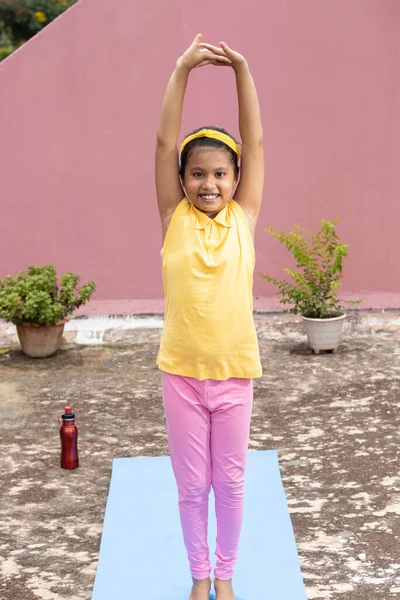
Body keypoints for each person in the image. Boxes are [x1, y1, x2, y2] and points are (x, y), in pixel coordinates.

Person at [155, 33, 264, 600]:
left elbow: (256, 140)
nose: (208, 184)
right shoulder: (173, 217)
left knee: (233, 483)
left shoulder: (244, 218)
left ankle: (226, 575)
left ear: (236, 180)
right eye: (197, 174)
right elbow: (162, 139)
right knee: (191, 486)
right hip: (181, 373)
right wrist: (183, 70)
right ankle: (199, 575)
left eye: (220, 174)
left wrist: (241, 70)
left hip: (234, 375)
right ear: (181, 181)